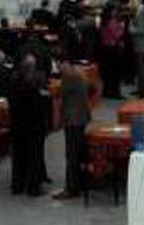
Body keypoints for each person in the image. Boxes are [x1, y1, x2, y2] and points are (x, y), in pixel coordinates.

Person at [53, 60, 91, 199]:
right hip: (82, 117)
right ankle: (79, 183)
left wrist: (57, 121)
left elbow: (60, 97)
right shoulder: (81, 74)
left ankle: (71, 188)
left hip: (72, 119)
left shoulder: (68, 78)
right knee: (79, 152)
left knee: (71, 155)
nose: (58, 69)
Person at [9, 58, 46, 196]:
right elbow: (40, 108)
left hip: (17, 125)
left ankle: (17, 185)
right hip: (33, 127)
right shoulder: (34, 87)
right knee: (34, 157)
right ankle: (33, 187)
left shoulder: (14, 82)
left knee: (18, 156)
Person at [99, 8, 125, 99]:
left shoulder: (103, 22)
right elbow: (117, 35)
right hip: (113, 49)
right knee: (115, 72)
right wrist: (122, 28)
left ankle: (106, 91)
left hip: (105, 48)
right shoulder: (112, 22)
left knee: (108, 72)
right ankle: (115, 92)